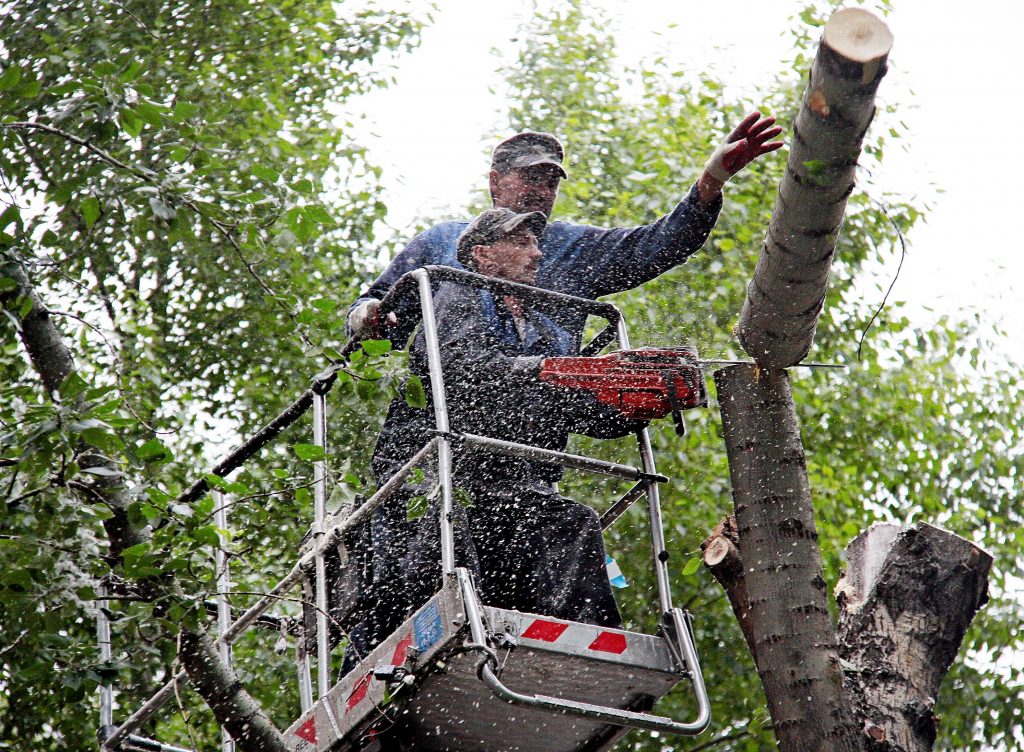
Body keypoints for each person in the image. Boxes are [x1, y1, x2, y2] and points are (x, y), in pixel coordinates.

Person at [362, 208, 649, 659]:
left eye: (536, 244)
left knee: (570, 523)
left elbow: (562, 406)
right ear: (483, 255)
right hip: (430, 472)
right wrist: (557, 371)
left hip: (499, 480)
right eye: (521, 243)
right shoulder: (457, 294)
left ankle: (586, 651)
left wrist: (628, 403)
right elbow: (463, 369)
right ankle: (454, 639)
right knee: (449, 532)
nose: (536, 254)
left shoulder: (538, 330)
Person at [347, 111, 783, 347]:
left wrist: (711, 182)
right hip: (429, 434)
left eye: (552, 181)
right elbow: (379, 312)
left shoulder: (575, 248)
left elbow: (662, 244)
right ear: (496, 182)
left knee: (564, 518)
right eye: (531, 177)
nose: (542, 190)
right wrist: (365, 317)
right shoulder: (441, 240)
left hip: (530, 443)